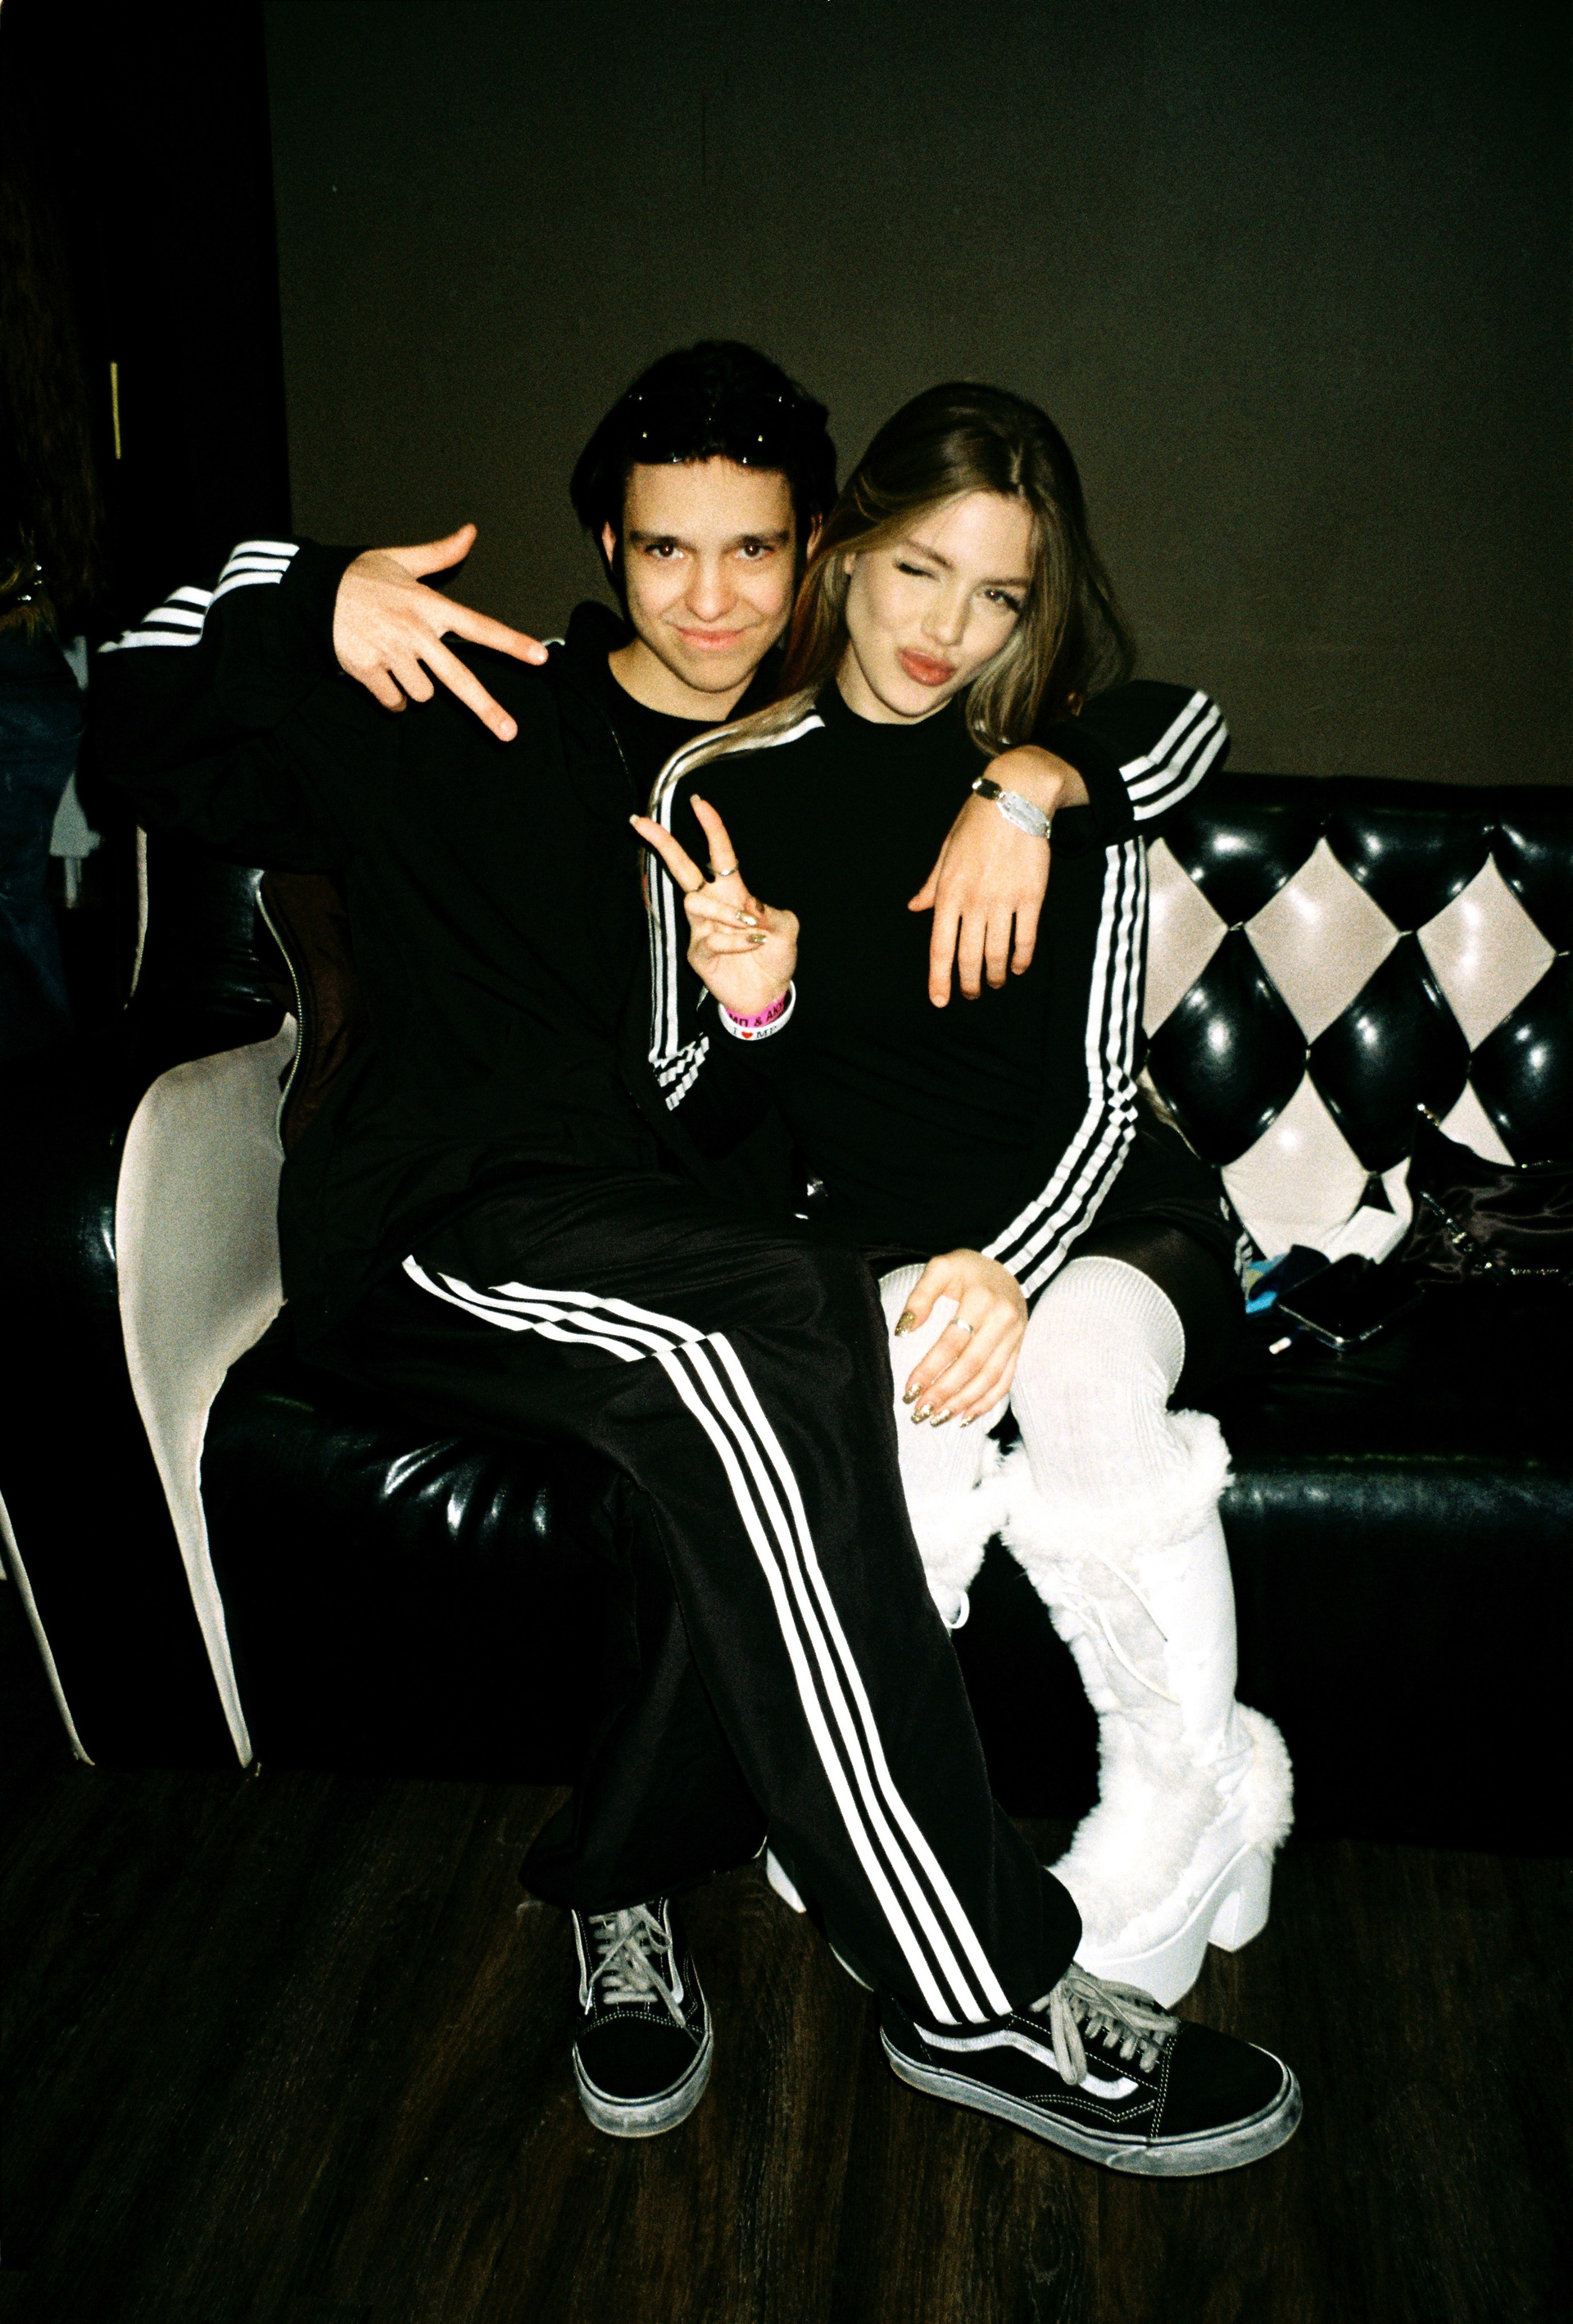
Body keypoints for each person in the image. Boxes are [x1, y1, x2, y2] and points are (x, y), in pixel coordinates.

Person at [93, 343, 1299, 2176]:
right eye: (668, 550)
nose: (713, 597)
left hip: (675, 1249)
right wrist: (304, 589)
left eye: (754, 550)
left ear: (812, 551)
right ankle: (976, 1989)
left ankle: (628, 1877)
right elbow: (131, 724)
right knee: (761, 1342)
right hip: (447, 1220)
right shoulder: (470, 705)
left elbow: (1148, 726)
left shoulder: (791, 767)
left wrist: (796, 973)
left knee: (753, 1377)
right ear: (611, 545)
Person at [637, 382, 1294, 2012]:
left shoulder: (1061, 781)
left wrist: (1027, 788)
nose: (948, 629)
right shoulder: (723, 783)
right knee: (901, 1405)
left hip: (1108, 1215)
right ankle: (894, 1803)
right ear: (846, 551)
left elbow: (1101, 1098)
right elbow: (690, 1114)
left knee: (1076, 1364)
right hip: (880, 1239)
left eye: (997, 594)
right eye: (922, 571)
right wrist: (754, 1007)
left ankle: (1188, 1807)